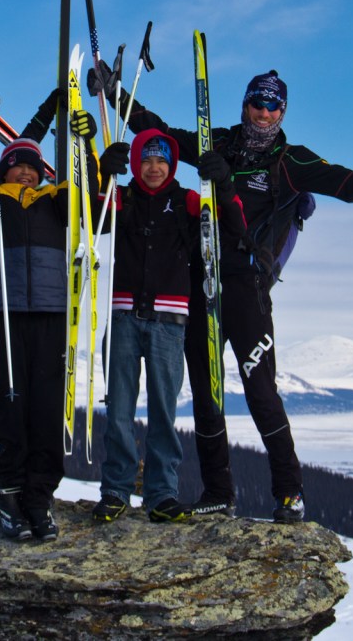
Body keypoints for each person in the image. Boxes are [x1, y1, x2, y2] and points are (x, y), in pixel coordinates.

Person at [100, 68, 353, 522]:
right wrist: (115, 93)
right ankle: (219, 491)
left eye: (272, 106)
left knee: (261, 391)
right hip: (200, 286)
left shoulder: (291, 162)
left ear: (282, 112)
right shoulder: (216, 143)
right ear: (244, 105)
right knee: (206, 396)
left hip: (248, 288)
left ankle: (289, 492)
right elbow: (155, 131)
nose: (263, 113)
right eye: (256, 104)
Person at [0, 90, 108, 542]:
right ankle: (8, 492)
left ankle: (40, 496)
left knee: (49, 410)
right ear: (3, 170)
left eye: (32, 165)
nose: (26, 170)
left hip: (53, 315)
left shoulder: (56, 201)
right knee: (11, 406)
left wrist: (85, 142)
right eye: (16, 164)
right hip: (4, 316)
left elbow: (91, 193)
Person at [91, 129, 244, 525]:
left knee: (163, 412)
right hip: (123, 316)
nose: (154, 168)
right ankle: (115, 491)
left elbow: (233, 226)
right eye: (146, 160)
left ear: (172, 165)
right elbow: (88, 219)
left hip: (170, 322)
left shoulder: (189, 202)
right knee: (120, 409)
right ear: (136, 164)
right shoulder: (120, 197)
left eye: (161, 161)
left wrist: (224, 184)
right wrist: (100, 174)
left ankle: (161, 494)